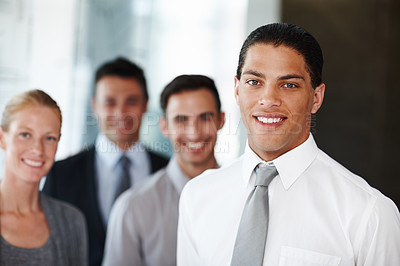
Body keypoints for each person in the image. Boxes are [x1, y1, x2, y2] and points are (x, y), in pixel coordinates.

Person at [177, 23, 400, 266]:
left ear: (316, 97)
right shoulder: (197, 197)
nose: (268, 100)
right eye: (254, 82)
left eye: (289, 85)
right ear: (237, 89)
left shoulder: (369, 214)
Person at [43, 57, 168, 266]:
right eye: (110, 102)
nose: (121, 112)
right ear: (94, 105)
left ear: (145, 104)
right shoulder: (60, 174)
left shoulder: (168, 171)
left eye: (131, 101)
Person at [102, 75, 225, 266]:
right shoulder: (132, 208)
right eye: (181, 120)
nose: (194, 132)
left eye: (205, 117)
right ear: (164, 127)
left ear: (221, 120)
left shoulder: (246, 195)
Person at [0, 89, 88, 265]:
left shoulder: (72, 221)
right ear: (2, 138)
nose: (38, 150)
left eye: (49, 138)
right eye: (25, 135)